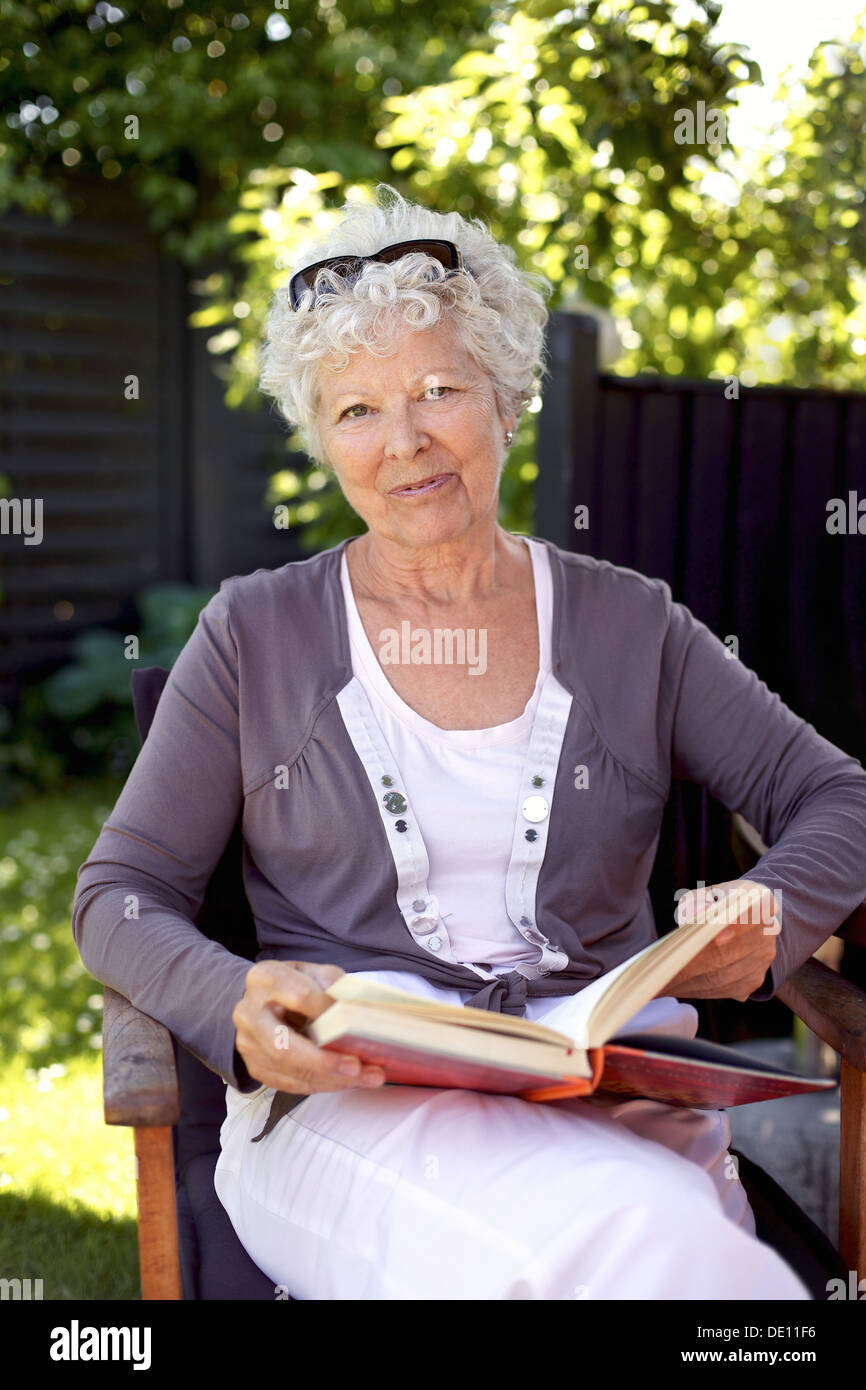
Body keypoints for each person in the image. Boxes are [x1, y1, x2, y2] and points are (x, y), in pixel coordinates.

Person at [72, 185, 866, 1300]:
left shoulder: (629, 623)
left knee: (650, 1241)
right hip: (352, 1116)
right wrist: (235, 1006)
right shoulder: (255, 634)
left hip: (614, 1101)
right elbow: (119, 894)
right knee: (637, 1256)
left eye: (438, 389)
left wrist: (773, 910)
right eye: (355, 410)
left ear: (506, 399)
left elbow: (836, 795)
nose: (403, 442)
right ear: (321, 438)